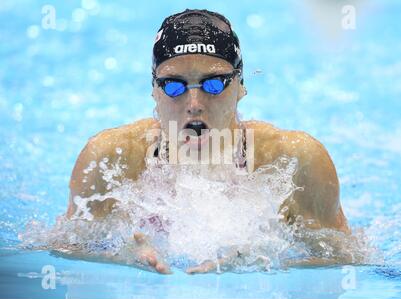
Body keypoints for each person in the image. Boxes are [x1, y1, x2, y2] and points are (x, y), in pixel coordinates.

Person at [66, 9, 349, 274]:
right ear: (154, 90)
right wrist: (119, 258)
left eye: (214, 83)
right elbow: (63, 247)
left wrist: (259, 260)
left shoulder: (295, 161)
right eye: (173, 85)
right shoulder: (110, 159)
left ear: (240, 85)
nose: (194, 104)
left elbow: (346, 258)